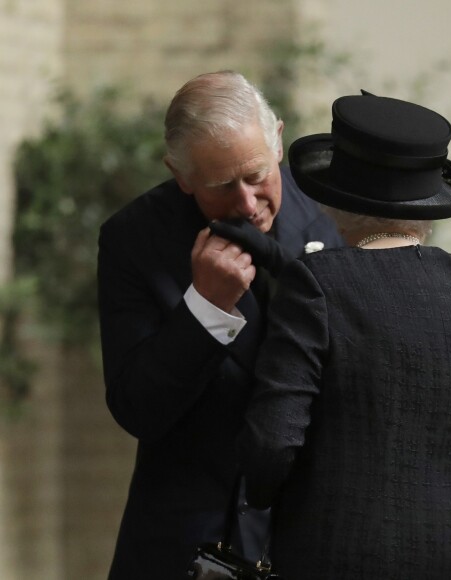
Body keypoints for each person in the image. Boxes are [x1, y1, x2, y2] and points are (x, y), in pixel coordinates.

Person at [216, 92, 451, 579]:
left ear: (332, 198)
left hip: (337, 554)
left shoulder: (317, 283)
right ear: (429, 204)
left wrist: (258, 495)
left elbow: (274, 441)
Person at [96, 70, 344, 579]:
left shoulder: (338, 214)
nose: (248, 204)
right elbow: (136, 409)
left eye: (256, 176)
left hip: (310, 542)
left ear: (277, 140)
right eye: (221, 185)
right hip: (185, 545)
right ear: (181, 176)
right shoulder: (134, 238)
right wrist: (206, 307)